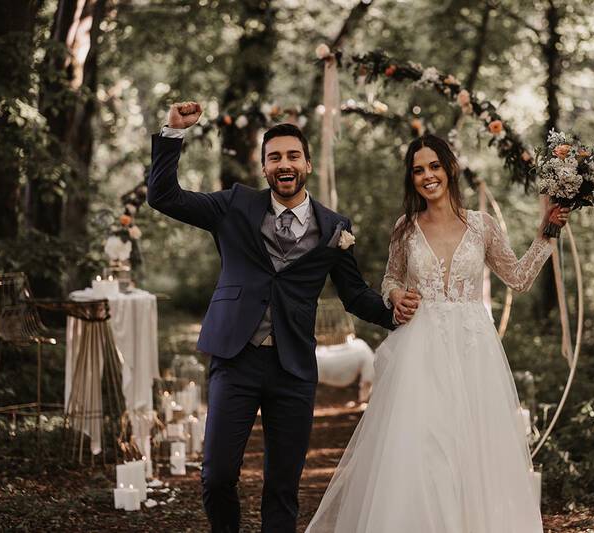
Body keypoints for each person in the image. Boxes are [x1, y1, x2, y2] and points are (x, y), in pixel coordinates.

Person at [147, 101, 421, 533]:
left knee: (282, 487)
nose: (284, 164)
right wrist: (173, 132)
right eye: (274, 157)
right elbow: (164, 196)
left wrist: (395, 311)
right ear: (265, 168)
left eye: (293, 155)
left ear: (307, 164)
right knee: (217, 476)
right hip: (235, 358)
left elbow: (354, 295)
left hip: (292, 367)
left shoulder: (335, 227)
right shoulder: (234, 205)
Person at [306, 134, 570, 532]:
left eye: (433, 166)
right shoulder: (406, 228)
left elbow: (518, 278)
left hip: (472, 352)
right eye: (418, 170)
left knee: (471, 451)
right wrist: (396, 295)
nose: (427, 176)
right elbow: (390, 277)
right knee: (424, 450)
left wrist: (547, 234)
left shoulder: (483, 226)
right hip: (421, 351)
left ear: (449, 168)